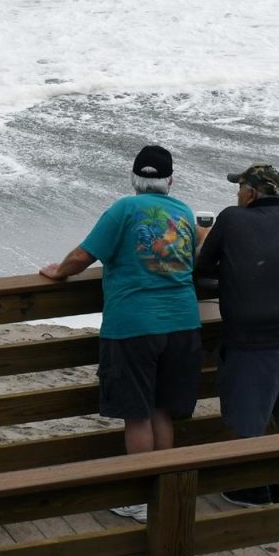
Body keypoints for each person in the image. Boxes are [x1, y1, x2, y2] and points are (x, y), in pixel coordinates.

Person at [39, 144, 202, 523]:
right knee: (162, 410)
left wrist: (57, 272)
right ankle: (163, 493)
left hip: (134, 326)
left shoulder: (123, 209)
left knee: (138, 414)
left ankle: (142, 500)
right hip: (182, 325)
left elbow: (82, 257)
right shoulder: (183, 212)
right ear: (171, 180)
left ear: (133, 179)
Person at [194, 163, 279, 508]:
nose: (237, 193)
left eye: (240, 188)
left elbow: (203, 264)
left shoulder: (233, 218)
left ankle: (250, 488)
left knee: (249, 412)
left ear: (250, 193)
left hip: (257, 338)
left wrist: (205, 237)